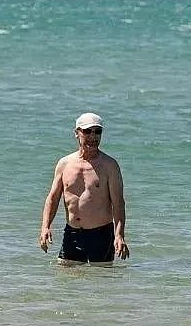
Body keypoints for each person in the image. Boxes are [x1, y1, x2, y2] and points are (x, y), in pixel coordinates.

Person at [39, 112, 129, 264]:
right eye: (87, 131)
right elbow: (53, 198)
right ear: (77, 133)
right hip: (72, 233)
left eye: (97, 131)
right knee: (65, 281)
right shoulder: (64, 164)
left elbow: (118, 203)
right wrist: (45, 227)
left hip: (101, 234)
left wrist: (119, 235)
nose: (93, 137)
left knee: (101, 280)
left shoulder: (109, 166)